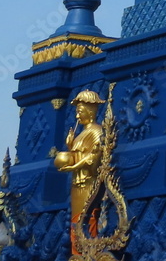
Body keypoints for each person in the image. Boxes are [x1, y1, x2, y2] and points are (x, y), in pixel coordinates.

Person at [54, 90, 105, 250]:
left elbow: (93, 158)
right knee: (75, 220)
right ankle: (77, 251)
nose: (77, 116)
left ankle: (87, 249)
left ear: (90, 112)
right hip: (77, 183)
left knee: (87, 216)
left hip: (89, 181)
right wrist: (70, 145)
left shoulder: (96, 132)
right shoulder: (81, 134)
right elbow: (77, 154)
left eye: (80, 112)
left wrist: (73, 166)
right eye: (77, 112)